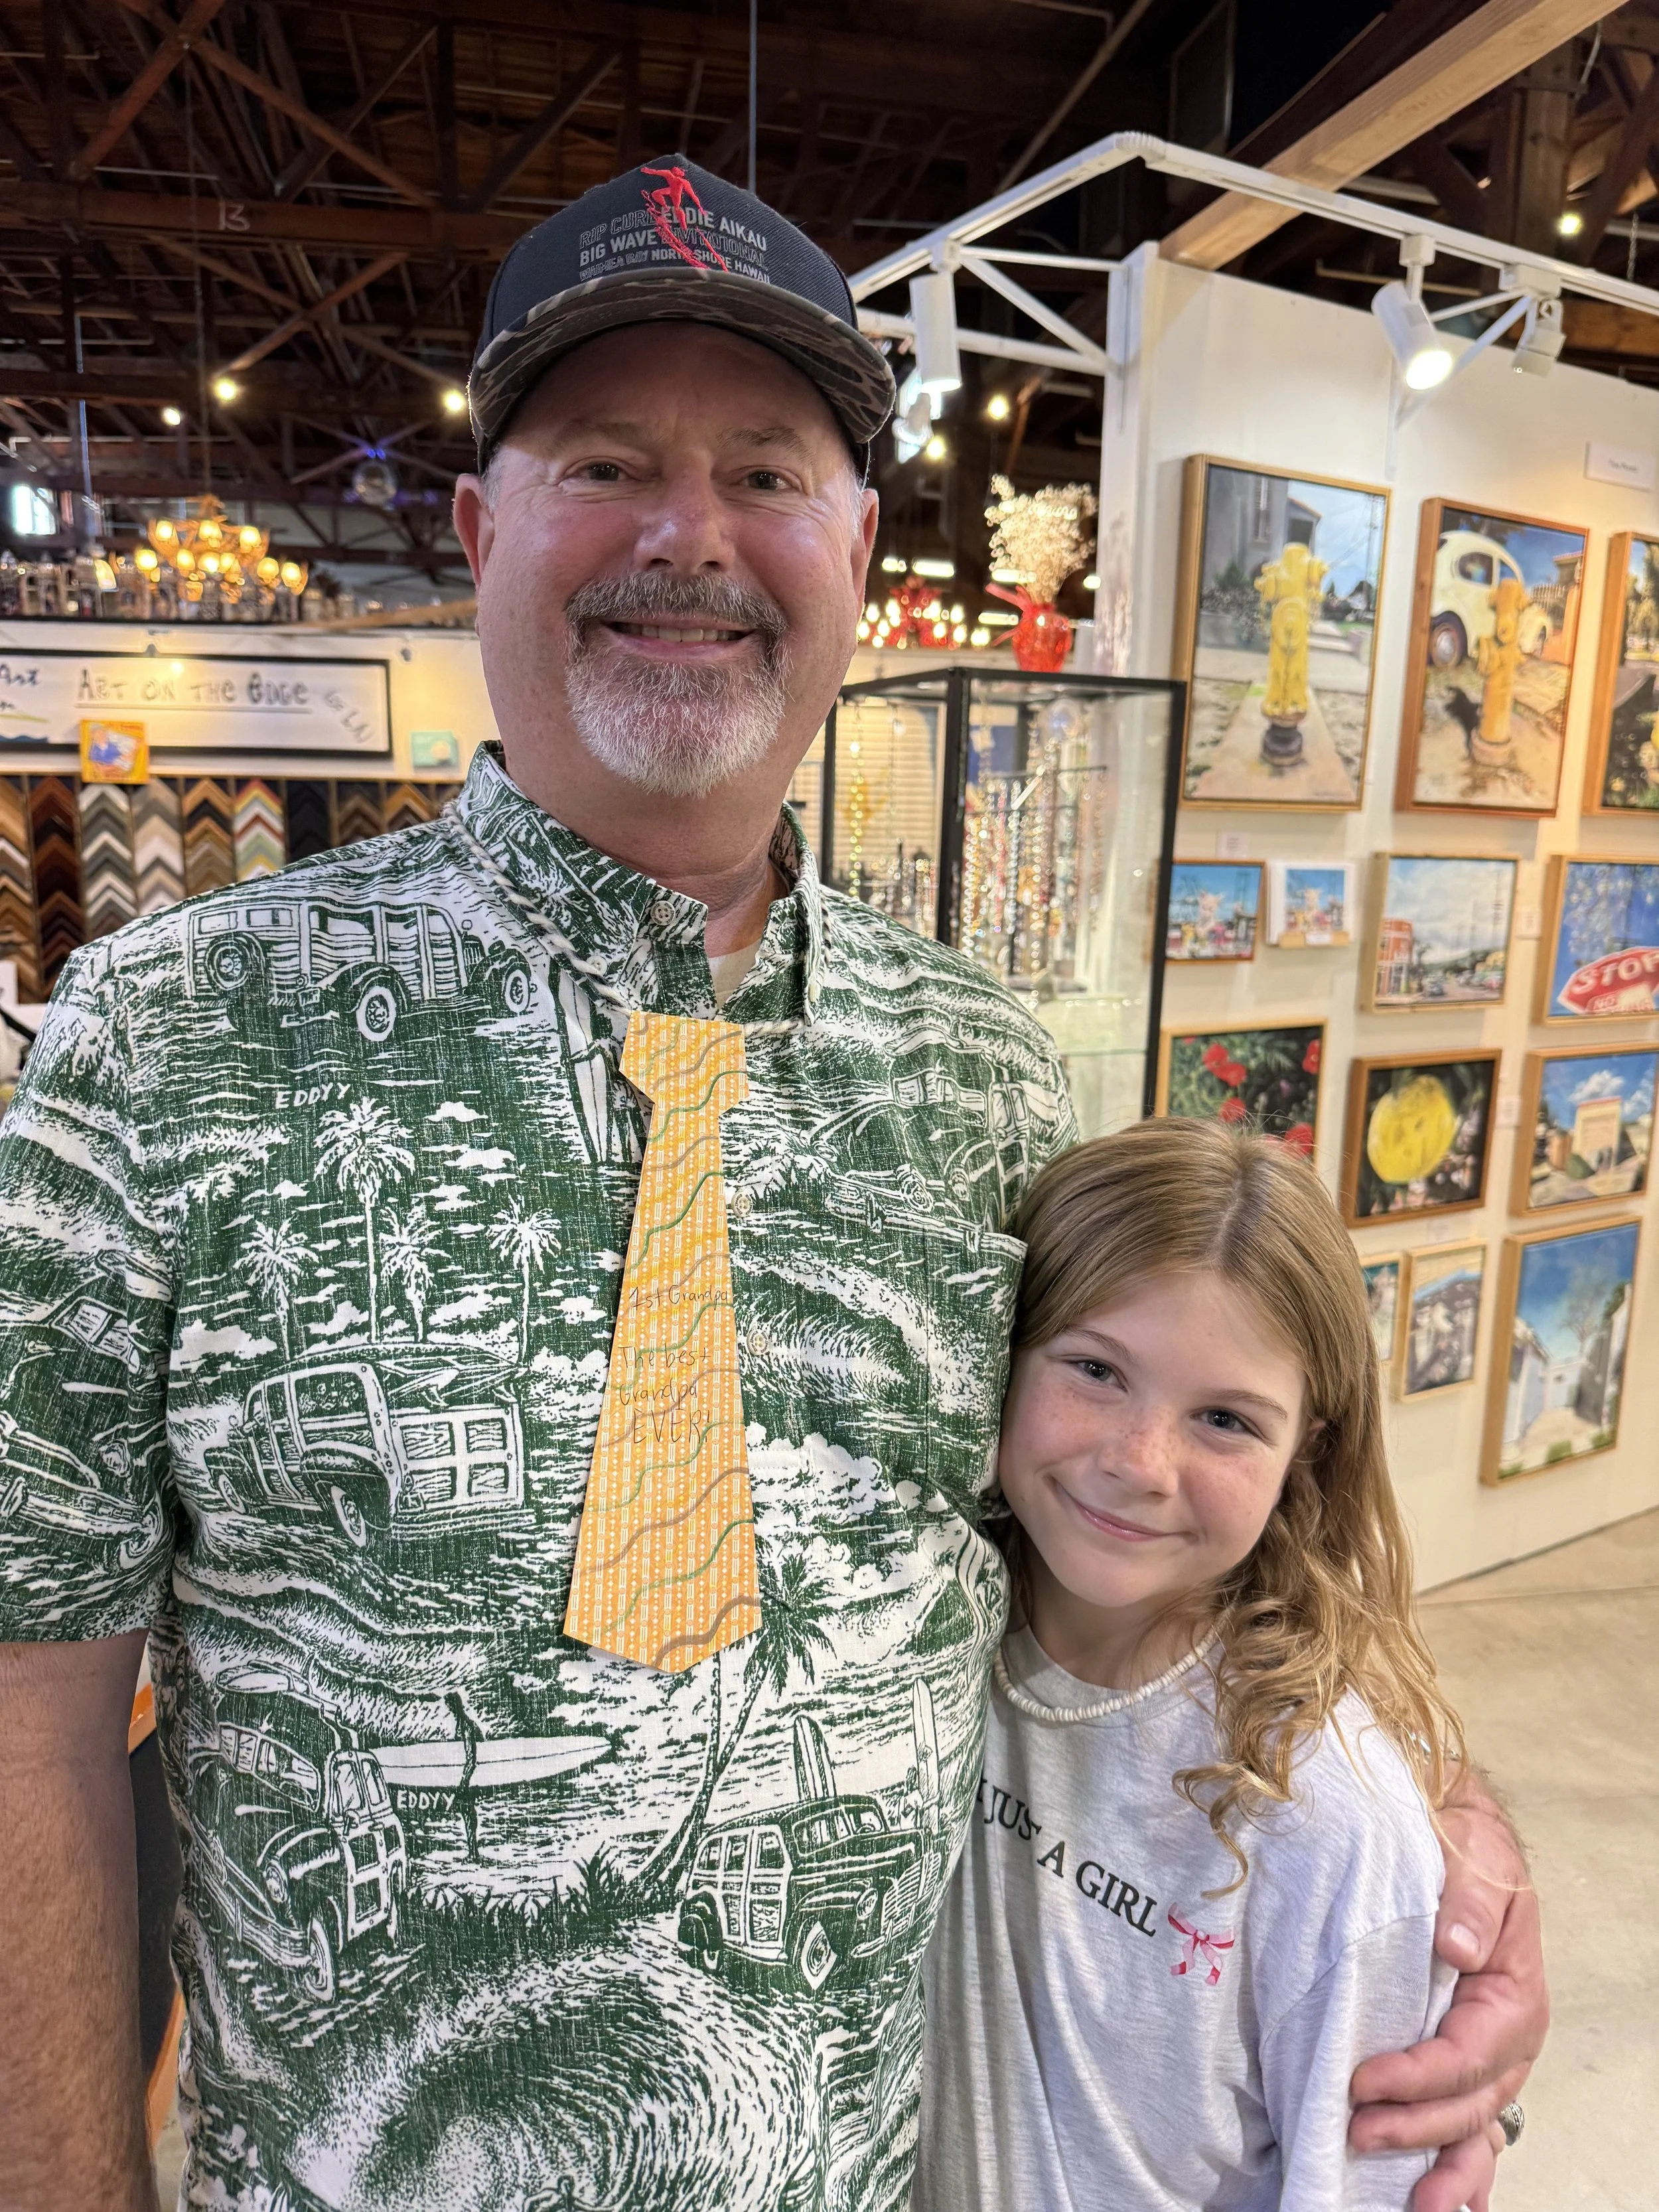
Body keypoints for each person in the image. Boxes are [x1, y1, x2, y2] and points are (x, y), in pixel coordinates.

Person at [0, 156, 1540, 2211]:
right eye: (607, 460)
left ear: (855, 547)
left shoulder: (994, 1077)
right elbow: (31, 1714)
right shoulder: (165, 1033)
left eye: (766, 473)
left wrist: (1426, 1809)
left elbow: (1147, 1535)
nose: (687, 536)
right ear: (478, 532)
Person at [917, 1119, 1525, 2210]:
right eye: (1096, 1369)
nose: (1140, 1464)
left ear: (1311, 1454)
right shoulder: (916, 1631)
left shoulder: (1333, 1825)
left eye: (1226, 1419)